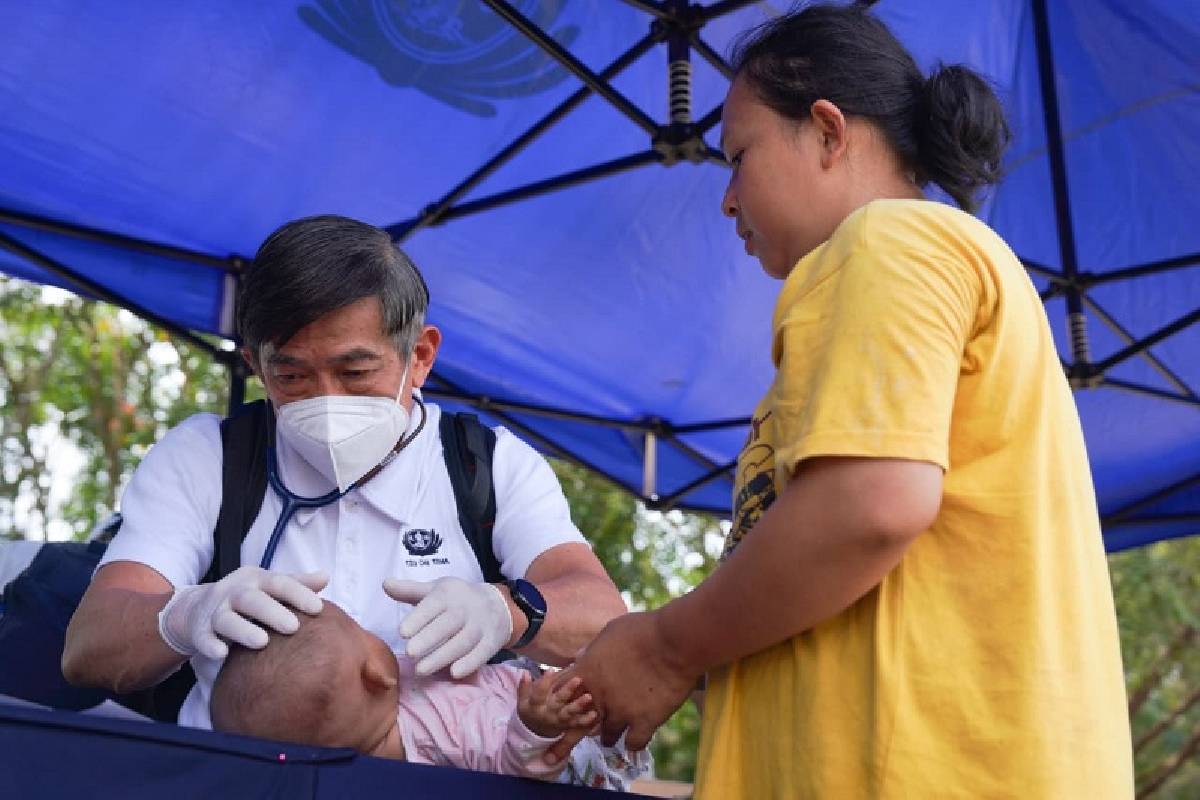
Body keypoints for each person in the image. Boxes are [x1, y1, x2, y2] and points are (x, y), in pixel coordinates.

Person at [554, 5, 1134, 798]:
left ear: (828, 131)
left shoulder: (887, 242)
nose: (727, 200)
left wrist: (665, 647)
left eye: (739, 156)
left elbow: (871, 504)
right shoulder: (937, 255)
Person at [62, 214, 626, 730]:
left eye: (356, 371)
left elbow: (603, 616)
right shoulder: (209, 456)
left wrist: (507, 610)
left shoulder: (487, 464)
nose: (326, 400)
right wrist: (187, 615)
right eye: (292, 375)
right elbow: (90, 647)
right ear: (254, 363)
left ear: (421, 356)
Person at [210, 600, 648, 789]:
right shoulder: (433, 735)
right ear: (376, 673)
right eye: (363, 632)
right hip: (566, 748)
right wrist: (535, 724)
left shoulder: (370, 726)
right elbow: (506, 764)